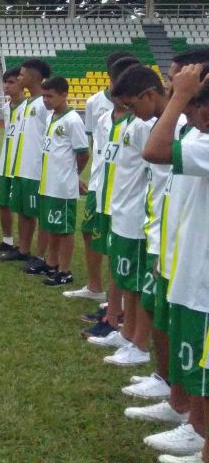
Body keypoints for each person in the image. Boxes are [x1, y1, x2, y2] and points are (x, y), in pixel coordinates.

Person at [141, 62, 209, 460]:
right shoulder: (197, 136)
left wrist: (180, 96)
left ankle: (198, 432)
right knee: (194, 359)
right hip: (188, 262)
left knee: (201, 365)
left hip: (201, 275)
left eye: (197, 101)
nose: (190, 110)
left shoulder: (203, 141)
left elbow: (153, 150)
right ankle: (193, 425)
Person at [112, 63, 180, 400]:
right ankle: (164, 378)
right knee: (157, 309)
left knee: (169, 315)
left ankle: (173, 390)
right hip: (157, 229)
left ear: (149, 94)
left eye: (132, 105)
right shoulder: (160, 124)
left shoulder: (179, 127)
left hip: (170, 237)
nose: (130, 113)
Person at [62, 54, 132, 301]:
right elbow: (96, 147)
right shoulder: (97, 107)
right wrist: (88, 178)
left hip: (124, 190)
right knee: (89, 230)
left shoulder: (141, 120)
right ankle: (95, 287)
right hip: (99, 185)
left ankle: (121, 298)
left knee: (119, 242)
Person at [82, 57, 138, 339]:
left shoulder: (140, 122)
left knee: (123, 261)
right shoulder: (105, 116)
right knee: (109, 251)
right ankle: (113, 310)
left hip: (127, 200)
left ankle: (118, 316)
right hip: (104, 193)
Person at [35, 76, 89, 286]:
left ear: (64, 94)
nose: (46, 101)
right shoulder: (51, 117)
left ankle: (65, 271)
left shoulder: (72, 120)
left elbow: (83, 153)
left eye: (50, 96)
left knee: (64, 229)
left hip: (63, 186)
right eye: (44, 96)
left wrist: (73, 175)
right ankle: (51, 263)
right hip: (49, 183)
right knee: (51, 226)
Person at [0, 59, 52, 272]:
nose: (19, 78)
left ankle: (41, 255)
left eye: (21, 75)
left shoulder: (44, 104)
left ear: (34, 76)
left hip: (36, 169)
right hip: (20, 167)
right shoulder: (28, 103)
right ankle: (23, 249)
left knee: (37, 213)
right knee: (22, 211)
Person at [0, 67, 24, 254]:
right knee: (3, 202)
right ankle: (7, 240)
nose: (6, 86)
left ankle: (23, 245)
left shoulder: (31, 106)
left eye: (11, 82)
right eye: (5, 82)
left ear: (21, 83)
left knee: (22, 207)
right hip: (5, 162)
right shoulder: (6, 107)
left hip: (22, 165)